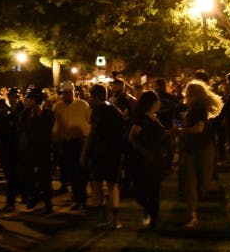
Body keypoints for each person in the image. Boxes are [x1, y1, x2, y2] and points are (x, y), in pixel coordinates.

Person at [177, 79, 224, 228]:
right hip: (197, 148)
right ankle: (192, 215)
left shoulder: (197, 109)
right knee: (193, 183)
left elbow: (199, 128)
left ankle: (193, 213)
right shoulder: (195, 108)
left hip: (199, 147)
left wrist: (180, 130)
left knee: (199, 183)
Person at [82, 84, 125, 228]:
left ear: (95, 97)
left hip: (99, 153)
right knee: (113, 186)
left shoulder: (97, 112)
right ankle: (116, 220)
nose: (89, 99)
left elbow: (92, 134)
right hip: (114, 153)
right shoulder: (115, 111)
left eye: (90, 96)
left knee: (97, 185)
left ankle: (102, 217)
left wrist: (84, 153)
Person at [128, 90, 168, 231]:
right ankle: (147, 208)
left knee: (154, 189)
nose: (159, 103)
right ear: (152, 103)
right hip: (143, 160)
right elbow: (132, 137)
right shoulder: (142, 119)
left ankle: (153, 218)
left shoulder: (155, 117)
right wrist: (144, 152)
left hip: (155, 158)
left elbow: (158, 135)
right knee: (141, 189)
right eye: (157, 100)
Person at [16, 88, 55, 214]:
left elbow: (49, 129)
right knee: (28, 176)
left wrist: (39, 117)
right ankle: (34, 196)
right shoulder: (25, 113)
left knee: (45, 177)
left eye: (30, 99)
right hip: (29, 148)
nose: (28, 101)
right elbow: (20, 128)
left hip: (43, 148)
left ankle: (48, 203)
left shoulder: (47, 113)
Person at [53, 82, 91, 210]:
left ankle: (82, 198)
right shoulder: (58, 107)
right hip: (66, 142)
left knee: (81, 171)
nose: (68, 94)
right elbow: (57, 126)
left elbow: (89, 122)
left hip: (80, 141)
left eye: (70, 92)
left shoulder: (82, 105)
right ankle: (76, 197)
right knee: (72, 171)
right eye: (66, 92)